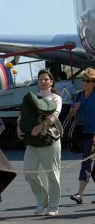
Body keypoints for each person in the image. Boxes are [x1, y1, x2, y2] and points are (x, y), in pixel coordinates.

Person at [18, 69, 62, 216]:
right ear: (37, 82)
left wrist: (41, 126)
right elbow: (23, 115)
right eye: (40, 79)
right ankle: (42, 199)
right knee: (29, 172)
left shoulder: (55, 98)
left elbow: (54, 115)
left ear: (51, 81)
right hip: (32, 141)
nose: (43, 81)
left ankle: (53, 206)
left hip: (49, 140)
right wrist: (19, 127)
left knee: (52, 174)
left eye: (46, 79)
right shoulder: (31, 97)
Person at [69, 68, 95, 205]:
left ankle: (80, 194)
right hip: (82, 133)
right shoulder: (79, 95)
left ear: (94, 83)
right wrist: (75, 109)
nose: (84, 83)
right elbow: (71, 113)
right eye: (83, 80)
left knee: (87, 162)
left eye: (87, 80)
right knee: (93, 164)